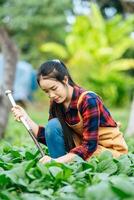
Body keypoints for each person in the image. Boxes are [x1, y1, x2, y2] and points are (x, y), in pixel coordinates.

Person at [11, 59, 128, 164]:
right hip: (82, 150)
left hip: (108, 151)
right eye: (46, 91)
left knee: (65, 158)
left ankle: (60, 165)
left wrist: (57, 161)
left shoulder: (88, 100)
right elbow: (50, 135)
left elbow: (89, 146)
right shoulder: (56, 102)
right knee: (53, 125)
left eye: (54, 88)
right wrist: (26, 118)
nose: (51, 95)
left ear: (65, 80)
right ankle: (59, 171)